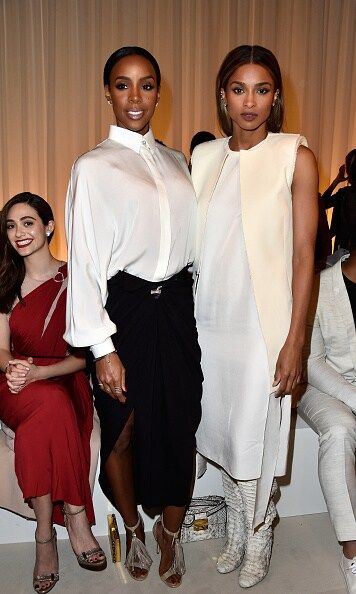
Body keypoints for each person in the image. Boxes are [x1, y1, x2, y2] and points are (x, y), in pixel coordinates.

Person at [65, 46, 202, 588]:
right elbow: (86, 262)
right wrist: (102, 348)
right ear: (107, 93)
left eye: (146, 85)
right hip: (122, 311)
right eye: (123, 85)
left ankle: (169, 532)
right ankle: (131, 527)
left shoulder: (176, 161)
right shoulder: (93, 167)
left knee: (179, 424)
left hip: (178, 308)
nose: (135, 97)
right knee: (122, 430)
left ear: (158, 92)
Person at [191, 45, 318, 588]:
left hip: (261, 324)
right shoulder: (205, 158)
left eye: (261, 89)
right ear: (223, 96)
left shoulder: (295, 154)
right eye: (239, 89)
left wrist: (296, 342)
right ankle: (239, 530)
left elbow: (305, 257)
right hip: (209, 319)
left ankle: (260, 537)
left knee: (253, 433)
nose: (250, 101)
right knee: (221, 433)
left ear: (276, 96)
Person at [0, 193, 106, 594]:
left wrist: (40, 372)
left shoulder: (75, 278)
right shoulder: (6, 282)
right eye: (11, 226)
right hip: (15, 381)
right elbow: (0, 347)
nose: (19, 233)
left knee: (54, 403)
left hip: (63, 375)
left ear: (48, 226)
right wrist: (15, 368)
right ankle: (75, 517)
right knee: (47, 405)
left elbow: (84, 357)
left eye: (28, 223)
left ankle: (45, 536)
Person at [298, 206, 356, 594]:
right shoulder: (321, 285)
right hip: (323, 384)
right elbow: (313, 363)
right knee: (339, 429)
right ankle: (352, 551)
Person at [321, 149, 356, 252]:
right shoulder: (344, 194)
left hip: (343, 253)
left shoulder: (344, 194)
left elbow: (322, 204)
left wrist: (336, 181)